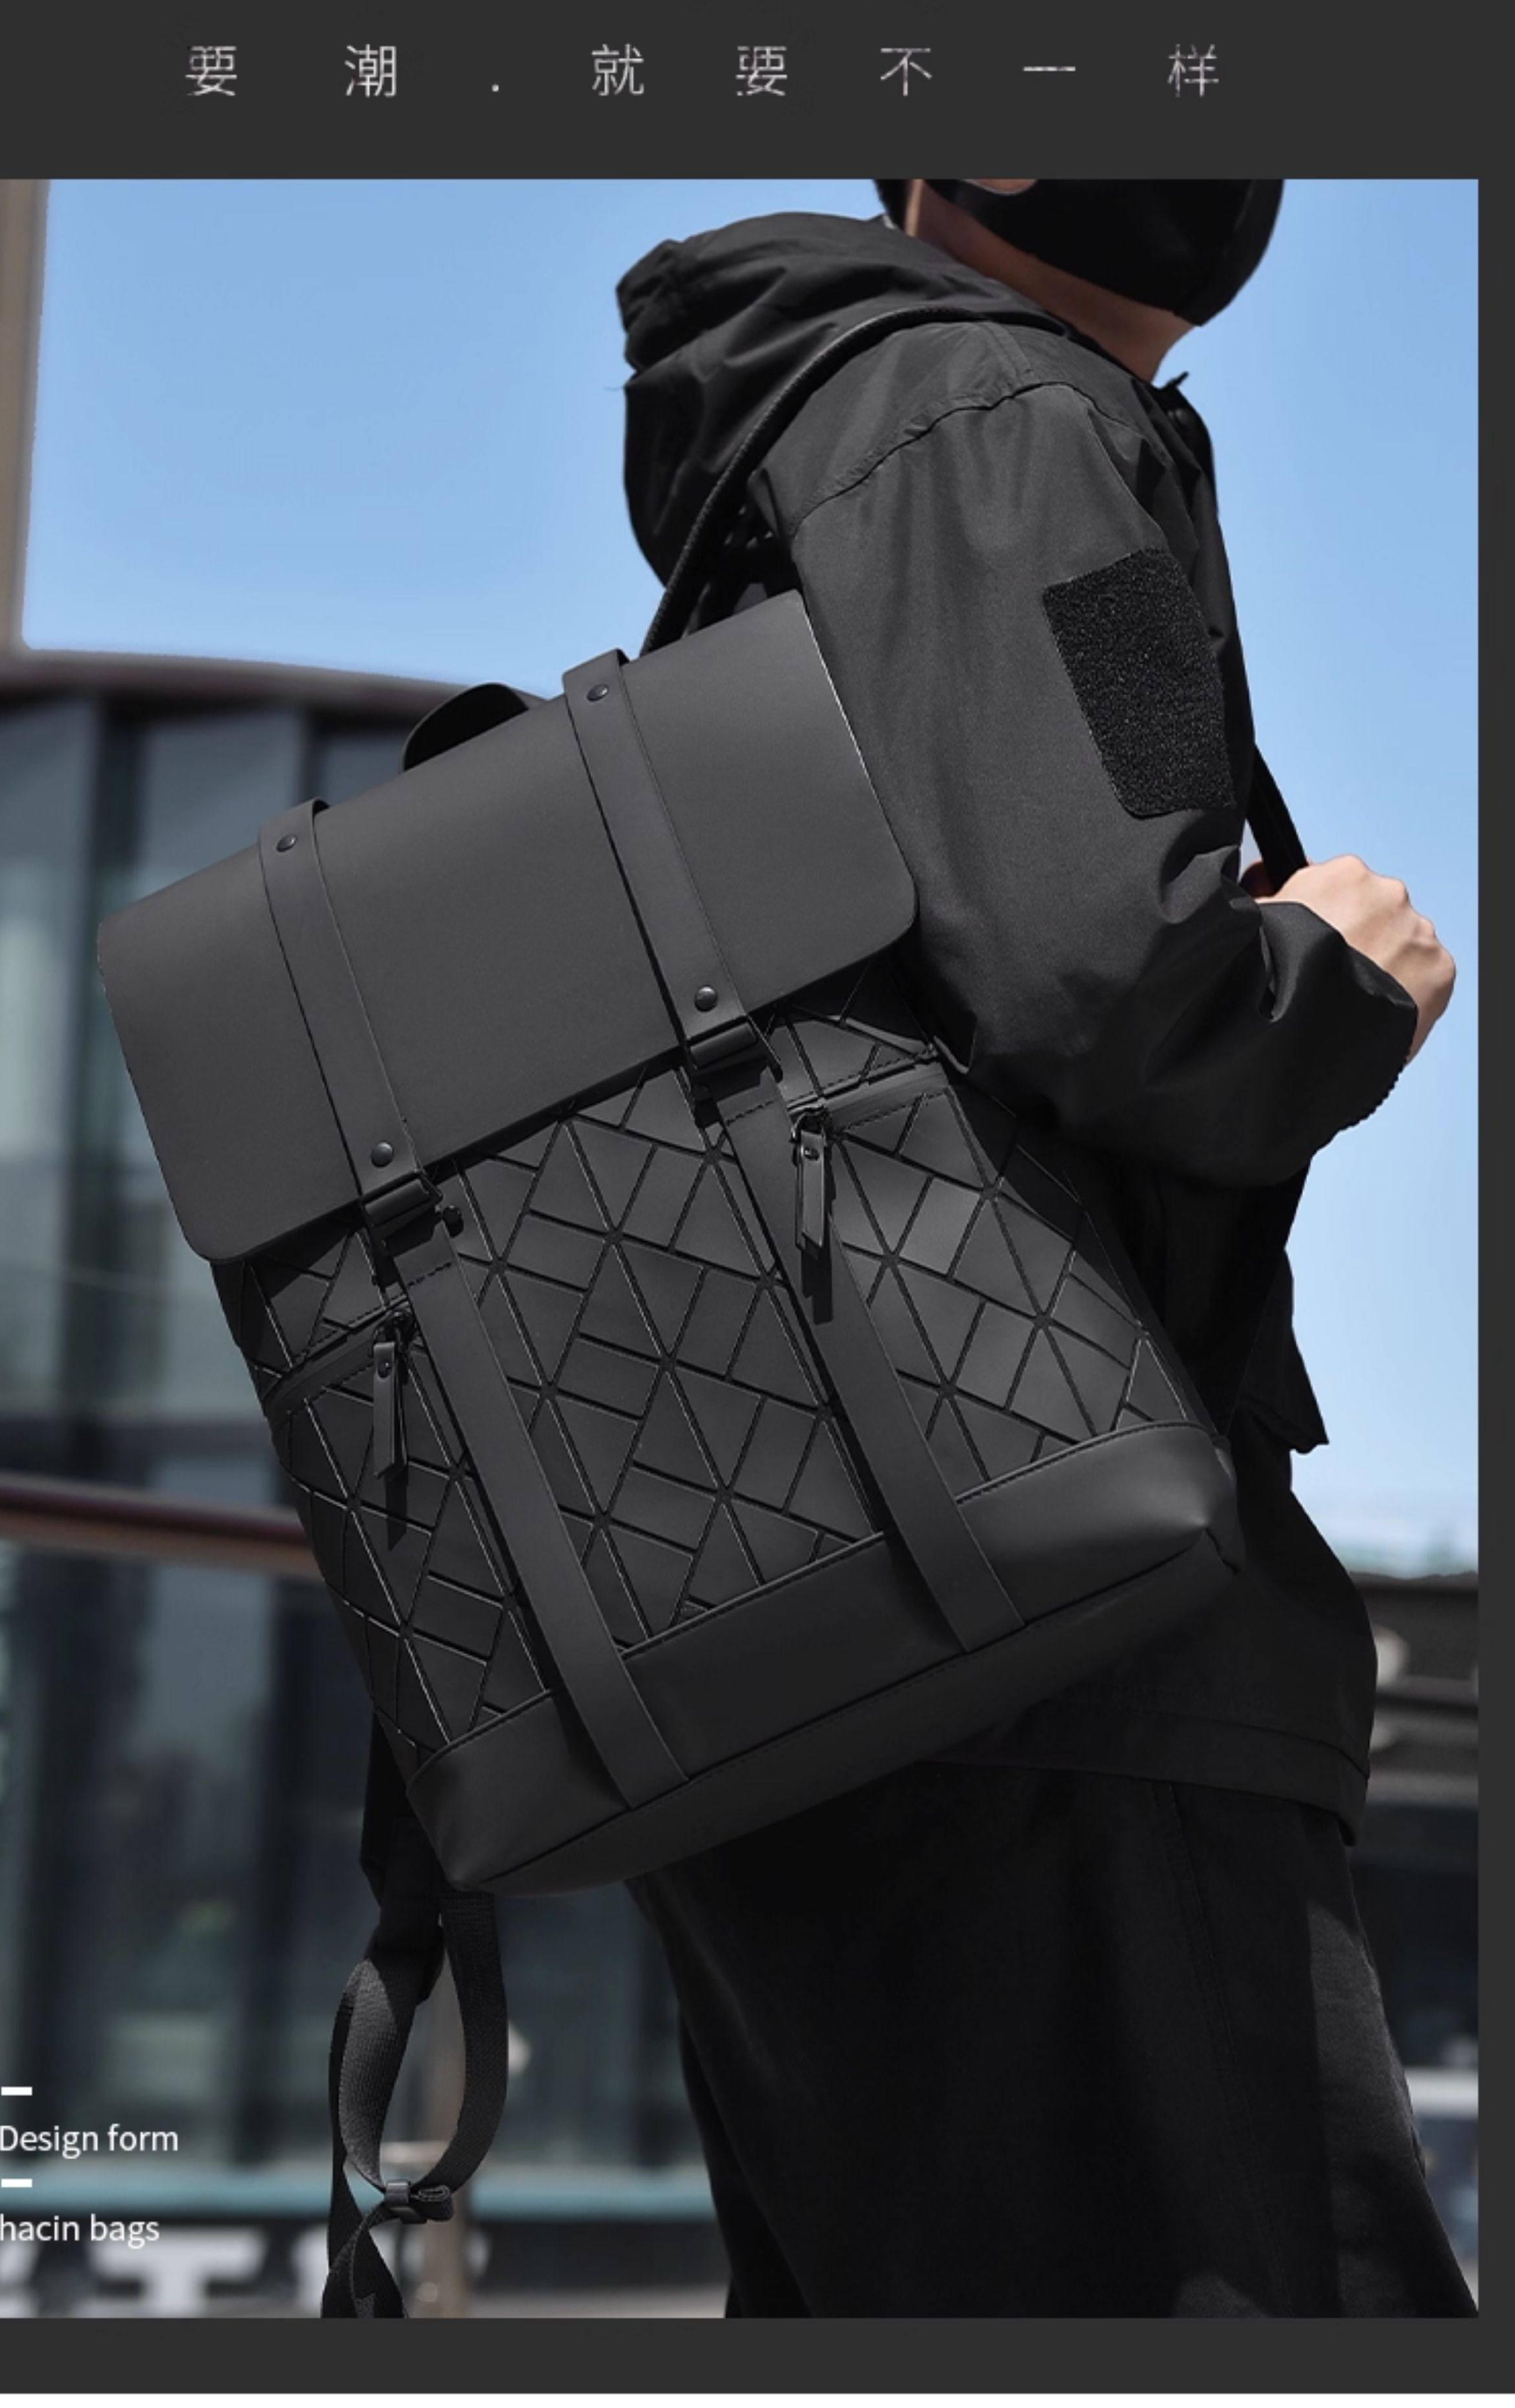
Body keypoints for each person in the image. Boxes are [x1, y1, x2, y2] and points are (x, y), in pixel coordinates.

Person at [613, 179, 1471, 2317]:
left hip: (857, 1621)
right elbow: (1118, 977)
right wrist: (1334, 977)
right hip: (1061, 1639)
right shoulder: (1000, 421)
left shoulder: (836, 437)